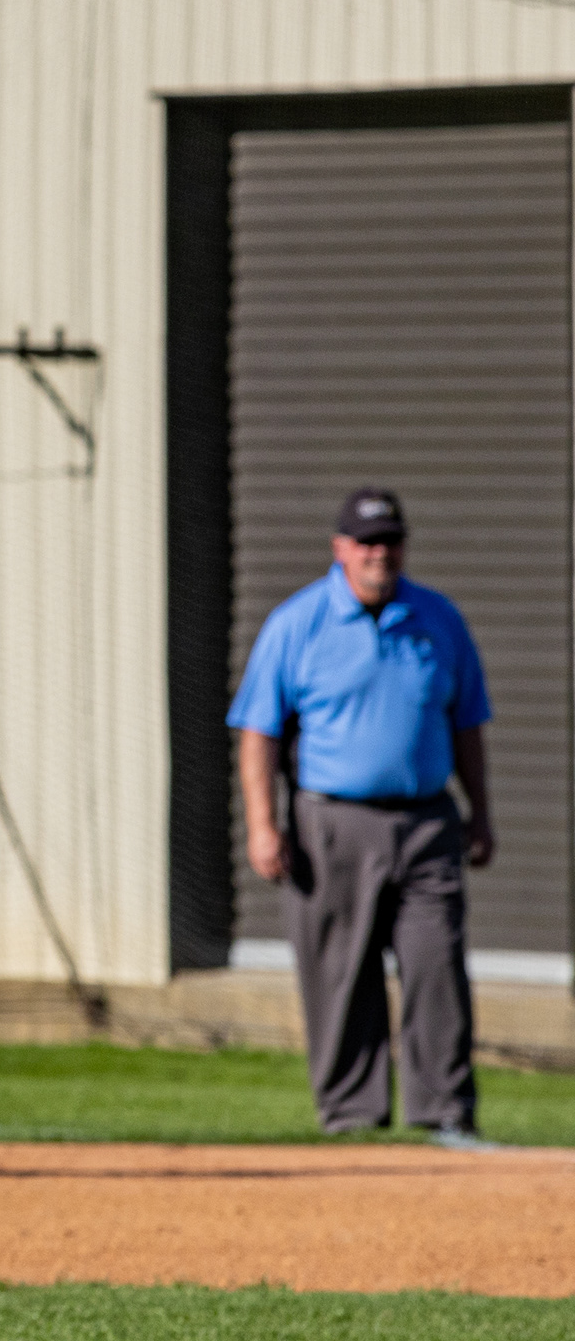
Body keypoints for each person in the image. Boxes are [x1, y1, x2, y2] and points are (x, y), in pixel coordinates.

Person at [227, 485, 496, 1140]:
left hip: (427, 820)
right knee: (341, 973)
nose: (380, 554)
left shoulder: (437, 618)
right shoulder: (299, 623)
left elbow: (466, 723)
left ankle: (445, 1112)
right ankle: (351, 1117)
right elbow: (258, 732)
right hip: (332, 822)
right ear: (340, 547)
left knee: (436, 965)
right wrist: (262, 826)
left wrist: (481, 812)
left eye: (391, 541)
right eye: (367, 542)